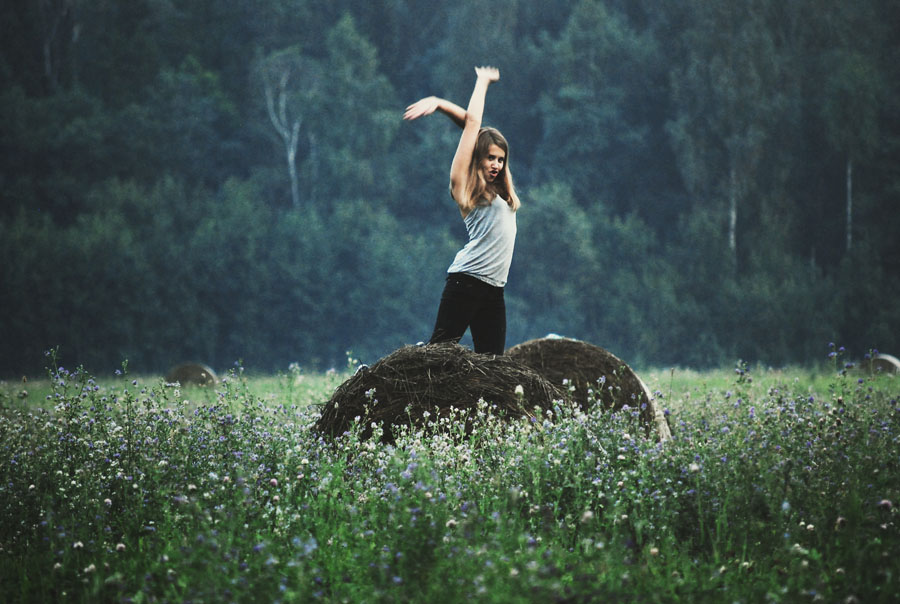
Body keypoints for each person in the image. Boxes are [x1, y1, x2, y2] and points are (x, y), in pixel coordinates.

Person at [403, 66, 521, 355]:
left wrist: (443, 107)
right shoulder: (464, 187)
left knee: (493, 365)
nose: (496, 164)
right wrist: (480, 82)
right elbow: (472, 124)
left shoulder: (501, 192)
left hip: (495, 289)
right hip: (466, 282)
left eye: (501, 159)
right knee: (437, 355)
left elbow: (474, 127)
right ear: (477, 158)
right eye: (490, 158)